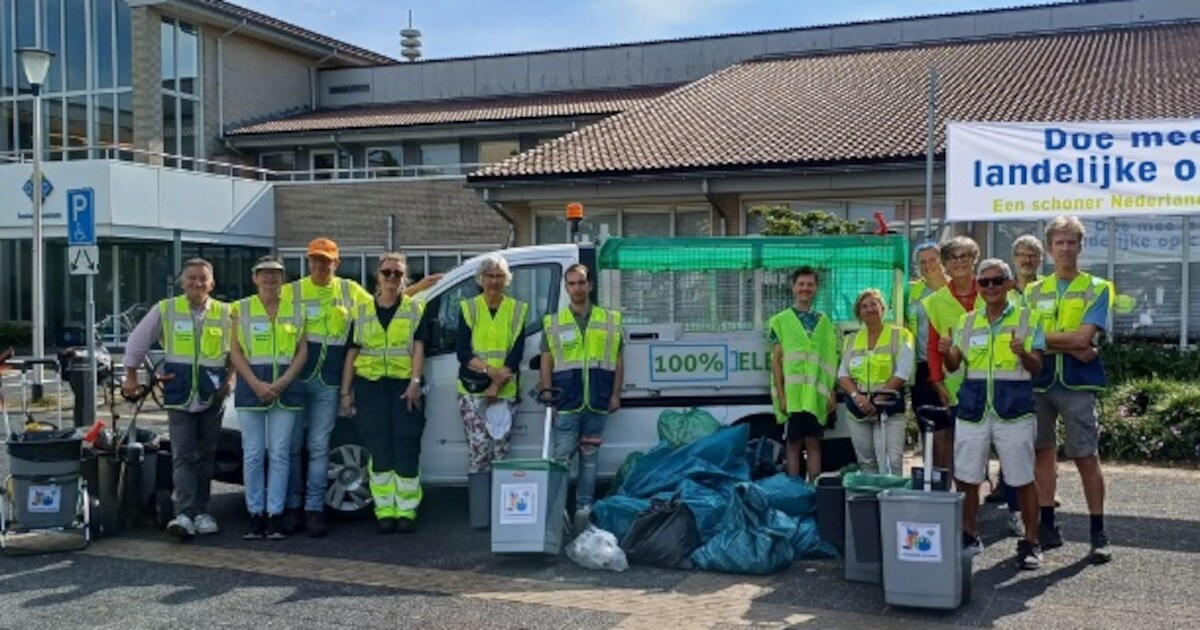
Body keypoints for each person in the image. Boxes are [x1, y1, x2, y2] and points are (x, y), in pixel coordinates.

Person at [941, 258, 1044, 570]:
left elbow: (1038, 367)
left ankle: (1031, 541)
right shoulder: (967, 322)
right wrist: (948, 352)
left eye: (996, 281)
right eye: (983, 282)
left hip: (1014, 410)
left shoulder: (1029, 318)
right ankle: (969, 534)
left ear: (1009, 284)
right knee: (967, 476)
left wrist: (1023, 353)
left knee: (1022, 478)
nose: (989, 287)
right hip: (973, 409)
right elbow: (954, 366)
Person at [121, 258, 233, 541]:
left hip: (212, 394)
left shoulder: (225, 312)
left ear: (212, 283)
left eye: (203, 279)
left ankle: (203, 511)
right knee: (183, 455)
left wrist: (231, 379)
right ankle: (184, 513)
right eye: (191, 278)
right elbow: (138, 340)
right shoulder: (166, 309)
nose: (197, 283)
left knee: (207, 456)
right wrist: (131, 375)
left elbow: (237, 351)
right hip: (179, 394)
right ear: (182, 282)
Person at [1025, 215, 1113, 564]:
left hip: (1078, 381)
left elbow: (1083, 337)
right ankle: (1048, 527)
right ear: (1048, 249)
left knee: (1085, 456)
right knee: (1042, 454)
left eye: (1071, 242)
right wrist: (1072, 344)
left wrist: (1059, 341)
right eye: (1059, 243)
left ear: (1080, 246)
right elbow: (1026, 339)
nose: (1065, 248)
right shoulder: (1032, 291)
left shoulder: (1098, 287)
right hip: (1039, 380)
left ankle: (1098, 532)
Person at [280, 237, 372, 536]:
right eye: (315, 260)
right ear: (308, 262)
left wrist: (421, 289)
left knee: (319, 447)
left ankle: (314, 510)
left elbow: (384, 304)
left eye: (326, 260)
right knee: (292, 447)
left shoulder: (350, 291)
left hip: (329, 383)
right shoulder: (291, 292)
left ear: (337, 263)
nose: (320, 265)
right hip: (295, 380)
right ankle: (292, 506)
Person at [340, 252, 430, 534]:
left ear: (405, 278)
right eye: (387, 272)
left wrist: (415, 382)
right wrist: (345, 391)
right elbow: (352, 352)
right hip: (370, 386)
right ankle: (385, 510)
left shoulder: (416, 308)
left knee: (406, 446)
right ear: (377, 276)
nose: (392, 277)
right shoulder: (362, 310)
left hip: (405, 387)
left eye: (398, 273)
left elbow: (419, 348)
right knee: (378, 448)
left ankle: (406, 510)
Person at [229, 256, 308, 540]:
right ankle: (255, 513)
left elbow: (302, 351)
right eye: (264, 274)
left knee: (279, 453)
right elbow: (235, 351)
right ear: (255, 278)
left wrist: (284, 381)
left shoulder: (295, 310)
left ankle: (275, 514)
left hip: (286, 388)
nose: (270, 279)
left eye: (275, 274)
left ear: (283, 279)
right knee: (252, 454)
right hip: (252, 386)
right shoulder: (240, 309)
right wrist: (254, 383)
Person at [540, 263, 623, 532]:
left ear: (590, 285)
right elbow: (546, 363)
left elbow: (619, 360)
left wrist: (615, 395)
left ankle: (583, 512)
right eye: (572, 284)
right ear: (566, 288)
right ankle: (555, 512)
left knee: (589, 460)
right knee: (560, 460)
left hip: (598, 401)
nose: (577, 288)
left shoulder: (609, 320)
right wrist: (549, 399)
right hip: (566, 402)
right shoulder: (553, 323)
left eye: (581, 282)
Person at [987, 234, 1047, 535]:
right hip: (1005, 382)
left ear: (1041, 260)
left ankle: (1043, 498)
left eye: (1033, 256)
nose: (1028, 260)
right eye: (1022, 255)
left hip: (1042, 373)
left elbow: (1054, 331)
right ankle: (1013, 506)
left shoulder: (1047, 290)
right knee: (1009, 446)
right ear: (1014, 259)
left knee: (1039, 446)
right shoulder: (999, 290)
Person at [458, 254, 528, 477]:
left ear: (506, 279)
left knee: (501, 453)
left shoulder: (517, 309)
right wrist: (490, 373)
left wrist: (497, 385)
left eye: (499, 276)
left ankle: (499, 507)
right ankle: (481, 506)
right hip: (473, 389)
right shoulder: (469, 308)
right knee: (478, 452)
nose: (494, 281)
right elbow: (463, 352)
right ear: (481, 278)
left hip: (505, 391)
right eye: (489, 276)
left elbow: (516, 354)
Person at [921, 236, 984, 476]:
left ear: (974, 260)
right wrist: (937, 382)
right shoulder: (936, 301)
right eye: (953, 258)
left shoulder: (990, 289)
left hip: (994, 377)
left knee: (993, 442)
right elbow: (933, 345)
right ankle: (962, 500)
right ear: (945, 264)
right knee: (963, 443)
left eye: (965, 256)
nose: (959, 262)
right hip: (956, 383)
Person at [768, 266, 838, 481]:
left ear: (816, 288)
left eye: (810, 284)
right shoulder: (779, 321)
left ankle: (815, 490)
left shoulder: (823, 322)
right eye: (801, 284)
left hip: (815, 396)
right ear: (793, 287)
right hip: (793, 396)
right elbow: (777, 362)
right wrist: (781, 396)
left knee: (814, 443)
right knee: (793, 444)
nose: (805, 288)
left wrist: (831, 392)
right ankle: (794, 490)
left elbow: (829, 361)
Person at [837, 288, 914, 476]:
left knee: (891, 461)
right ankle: (871, 504)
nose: (869, 309)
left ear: (882, 308)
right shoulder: (851, 340)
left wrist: (877, 401)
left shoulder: (901, 335)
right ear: (858, 313)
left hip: (889, 408)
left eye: (873, 304)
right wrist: (858, 398)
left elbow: (902, 372)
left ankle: (892, 503)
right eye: (864, 306)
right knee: (866, 463)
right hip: (858, 409)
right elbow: (843, 375)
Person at [906, 241, 948, 439]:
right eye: (922, 262)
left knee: (952, 424)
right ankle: (932, 468)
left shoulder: (955, 287)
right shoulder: (912, 292)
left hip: (951, 364)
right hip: (922, 365)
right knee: (928, 426)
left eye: (933, 260)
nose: (928, 265)